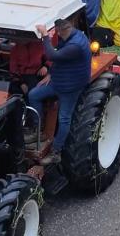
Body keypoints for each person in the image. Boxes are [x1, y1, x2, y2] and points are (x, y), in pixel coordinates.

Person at [28, 16, 92, 166]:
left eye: (56, 31)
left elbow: (53, 55)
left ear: (62, 30)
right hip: (58, 80)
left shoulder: (76, 45)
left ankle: (56, 151)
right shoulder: (71, 35)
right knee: (33, 95)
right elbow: (59, 58)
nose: (55, 34)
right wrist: (51, 73)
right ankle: (39, 131)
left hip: (70, 87)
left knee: (64, 118)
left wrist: (44, 36)